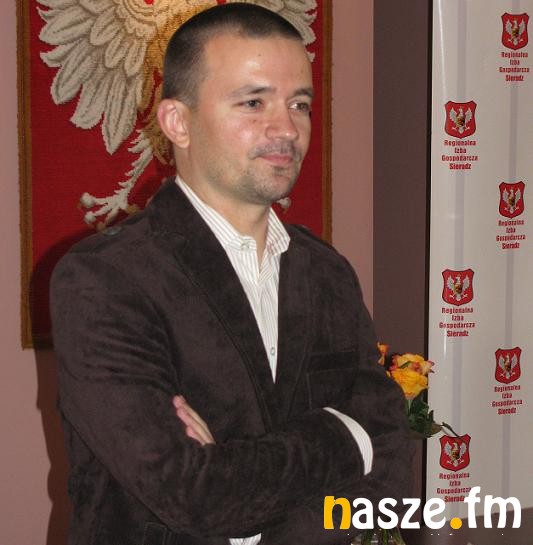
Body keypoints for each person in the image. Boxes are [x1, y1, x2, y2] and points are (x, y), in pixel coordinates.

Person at [50, 4, 413, 545]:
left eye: (300, 104)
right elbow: (192, 494)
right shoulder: (105, 279)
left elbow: (390, 469)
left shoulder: (327, 273)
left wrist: (237, 474)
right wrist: (346, 433)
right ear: (178, 122)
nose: (286, 128)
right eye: (253, 102)